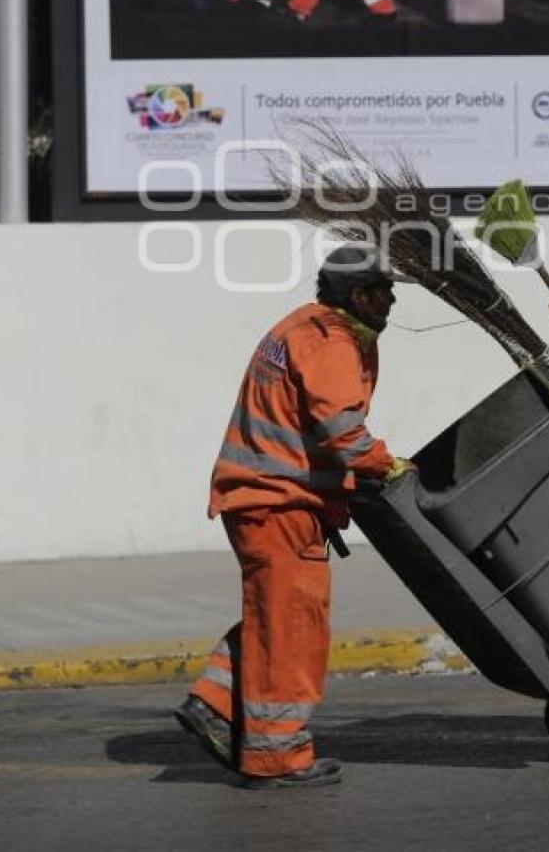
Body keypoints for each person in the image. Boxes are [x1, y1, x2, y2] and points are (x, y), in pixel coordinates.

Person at [175, 245, 414, 789]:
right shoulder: (329, 340)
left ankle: (213, 702)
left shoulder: (301, 327)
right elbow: (343, 433)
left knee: (274, 618)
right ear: (357, 296)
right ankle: (276, 758)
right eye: (383, 291)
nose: (392, 300)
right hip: (277, 502)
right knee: (291, 629)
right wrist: (392, 465)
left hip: (262, 500)